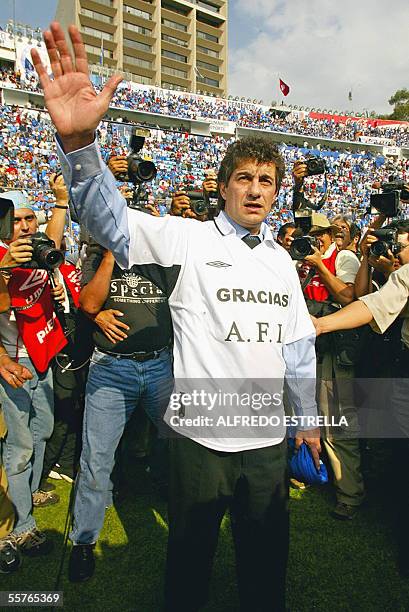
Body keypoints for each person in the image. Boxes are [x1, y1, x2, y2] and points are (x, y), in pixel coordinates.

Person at [32, 23, 320, 611]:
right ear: (223, 187)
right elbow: (110, 223)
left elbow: (298, 351)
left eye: (268, 181)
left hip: (266, 441)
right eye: (245, 178)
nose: (257, 190)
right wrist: (82, 146)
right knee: (188, 571)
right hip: (199, 442)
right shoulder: (186, 238)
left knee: (266, 573)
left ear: (277, 193)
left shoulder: (284, 264)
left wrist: (309, 421)